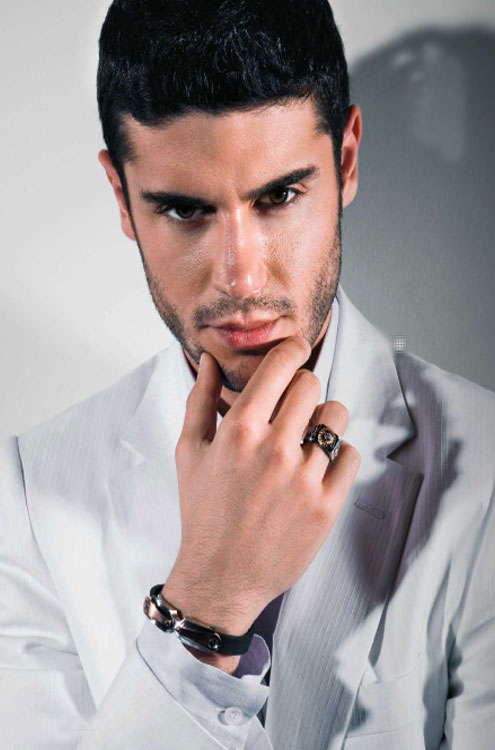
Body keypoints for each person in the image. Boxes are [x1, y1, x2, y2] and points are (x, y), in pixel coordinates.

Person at [1, 1, 493, 748]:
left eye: (279, 196)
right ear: (122, 199)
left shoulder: (485, 469)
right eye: (184, 211)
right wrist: (210, 601)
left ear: (346, 160)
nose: (241, 277)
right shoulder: (31, 495)